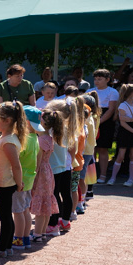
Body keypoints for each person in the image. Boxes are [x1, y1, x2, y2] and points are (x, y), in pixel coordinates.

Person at [0, 102, 27, 256]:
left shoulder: (8, 141)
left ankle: (2, 247)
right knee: (5, 215)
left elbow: (16, 166)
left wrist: (19, 183)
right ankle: (7, 246)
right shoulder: (6, 137)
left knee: (4, 216)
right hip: (4, 181)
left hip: (5, 183)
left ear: (8, 120)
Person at [45, 98, 80, 235]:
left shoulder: (50, 131)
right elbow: (73, 150)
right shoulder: (69, 129)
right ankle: (65, 221)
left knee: (54, 194)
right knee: (66, 193)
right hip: (66, 166)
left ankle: (54, 222)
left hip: (54, 167)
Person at [14, 105, 43, 249]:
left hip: (20, 180)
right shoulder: (35, 138)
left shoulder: (24, 140)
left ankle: (18, 239)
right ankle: (25, 238)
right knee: (25, 209)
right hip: (30, 178)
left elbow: (16, 159)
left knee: (18, 211)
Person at [31, 109, 61, 241]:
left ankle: (37, 233)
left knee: (40, 205)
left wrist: (33, 176)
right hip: (48, 171)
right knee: (46, 204)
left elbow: (38, 162)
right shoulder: (49, 138)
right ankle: (42, 232)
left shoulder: (41, 140)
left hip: (41, 173)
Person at [109, 83, 133, 186]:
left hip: (132, 130)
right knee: (121, 155)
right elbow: (123, 123)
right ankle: (113, 177)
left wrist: (129, 119)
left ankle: (131, 179)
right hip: (124, 132)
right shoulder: (122, 105)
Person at [92, 69, 119, 183]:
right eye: (95, 79)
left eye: (100, 79)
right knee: (91, 149)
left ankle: (103, 175)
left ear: (107, 80)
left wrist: (99, 122)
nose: (97, 81)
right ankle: (91, 175)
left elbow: (111, 109)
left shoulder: (112, 92)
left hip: (105, 122)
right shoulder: (90, 91)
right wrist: (93, 122)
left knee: (103, 148)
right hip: (92, 120)